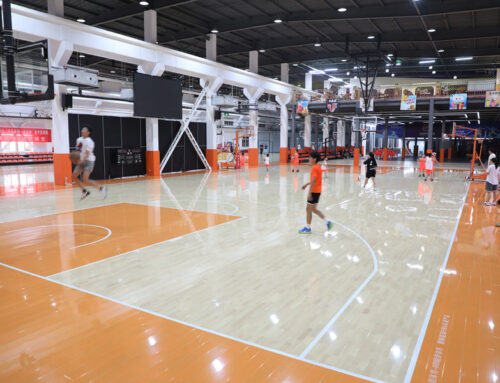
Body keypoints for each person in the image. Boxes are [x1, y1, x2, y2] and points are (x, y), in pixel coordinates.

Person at [298, 151, 333, 234]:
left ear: (314, 159)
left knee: (308, 209)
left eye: (310, 157)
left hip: (313, 192)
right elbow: (315, 180)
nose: (309, 159)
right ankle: (328, 221)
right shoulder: (318, 167)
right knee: (313, 209)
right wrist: (307, 184)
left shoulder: (314, 168)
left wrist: (309, 193)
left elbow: (314, 180)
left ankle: (308, 228)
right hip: (318, 191)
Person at [72, 126, 107, 200]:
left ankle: (101, 188)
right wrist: (76, 158)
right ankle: (84, 191)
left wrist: (82, 160)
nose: (82, 130)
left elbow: (87, 153)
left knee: (85, 180)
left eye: (84, 130)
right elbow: (78, 149)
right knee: (73, 177)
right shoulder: (79, 139)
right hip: (81, 160)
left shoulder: (90, 141)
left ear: (88, 132)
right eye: (82, 129)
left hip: (89, 161)